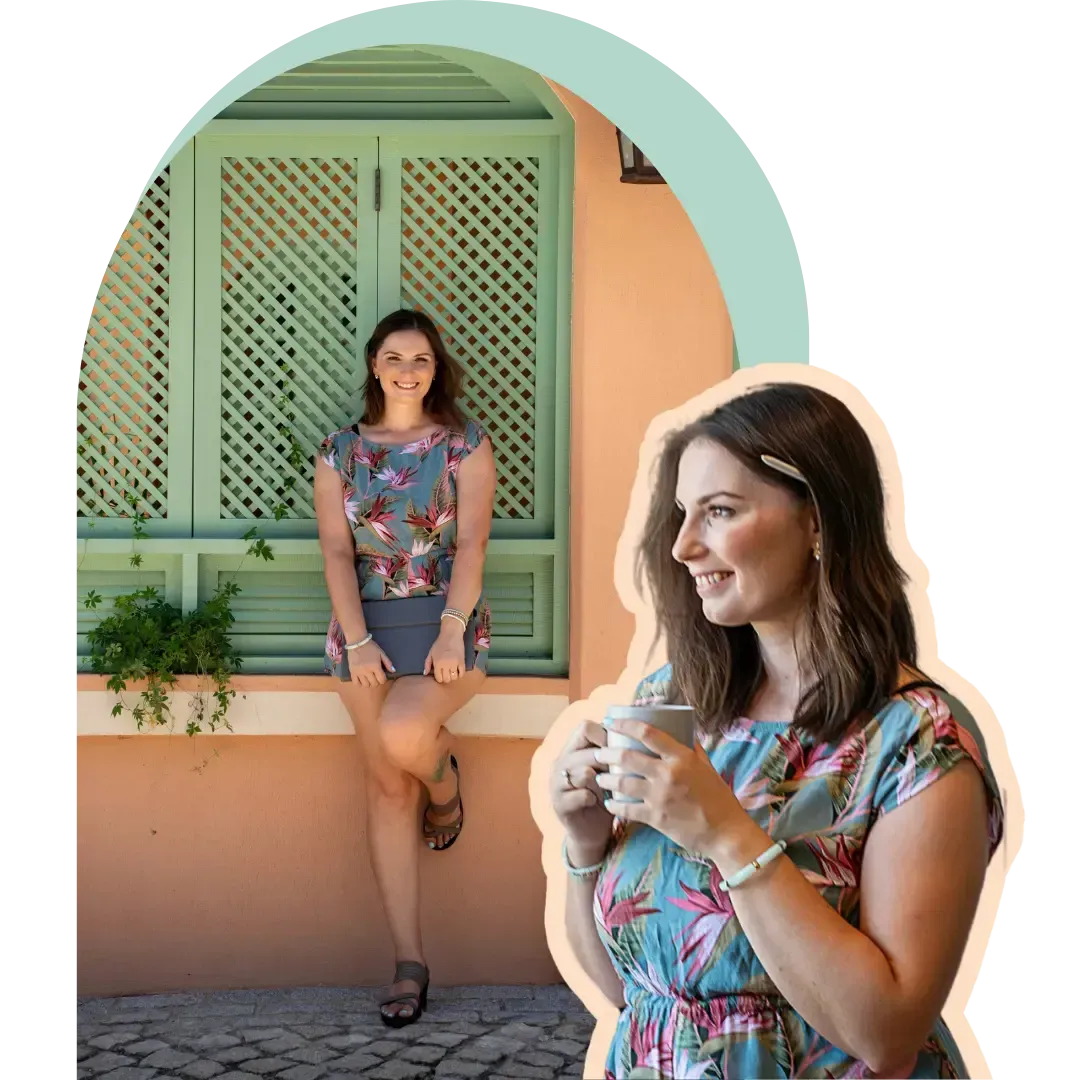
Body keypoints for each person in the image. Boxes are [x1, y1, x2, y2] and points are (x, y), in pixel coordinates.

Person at [549, 383, 1003, 1079]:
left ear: (819, 521)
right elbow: (635, 992)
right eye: (682, 515)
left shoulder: (917, 745)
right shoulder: (675, 704)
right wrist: (583, 850)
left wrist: (726, 834)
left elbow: (886, 1035)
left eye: (721, 512)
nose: (683, 546)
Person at [314, 308, 496, 1028]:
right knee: (388, 789)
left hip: (447, 626)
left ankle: (445, 785)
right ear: (374, 365)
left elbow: (475, 545)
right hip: (363, 630)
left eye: (420, 359)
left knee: (405, 737)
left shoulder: (464, 445)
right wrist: (356, 642)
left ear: (435, 367)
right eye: (395, 357)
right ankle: (409, 964)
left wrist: (452, 631)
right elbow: (335, 552)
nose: (408, 370)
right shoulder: (338, 452)